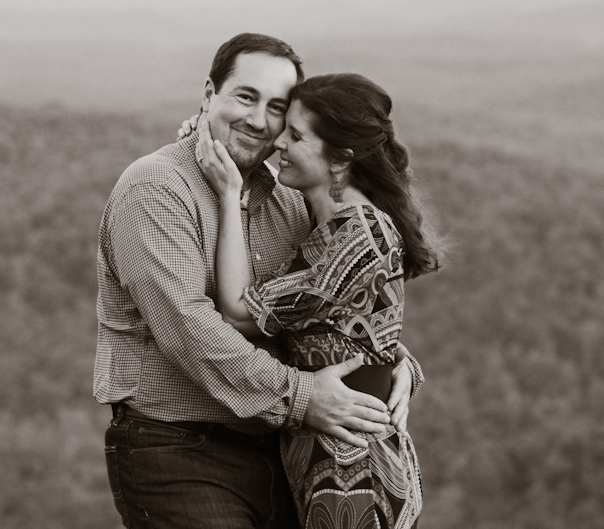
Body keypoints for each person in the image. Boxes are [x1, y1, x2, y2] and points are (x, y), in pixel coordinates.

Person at [95, 34, 423, 529]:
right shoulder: (157, 188)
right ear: (210, 93)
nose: (258, 120)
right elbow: (189, 329)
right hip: (180, 448)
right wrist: (305, 396)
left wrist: (391, 362)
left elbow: (333, 302)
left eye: (276, 108)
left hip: (283, 450)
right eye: (245, 97)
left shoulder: (291, 199)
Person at [194, 72, 439, 529]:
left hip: (351, 470)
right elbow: (355, 330)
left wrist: (229, 196)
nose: (277, 142)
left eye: (295, 134)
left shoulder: (357, 236)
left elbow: (239, 312)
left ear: (340, 159)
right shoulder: (335, 224)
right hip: (333, 456)